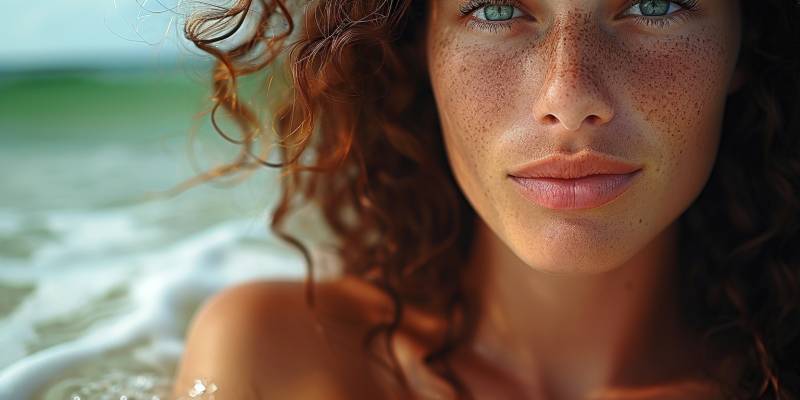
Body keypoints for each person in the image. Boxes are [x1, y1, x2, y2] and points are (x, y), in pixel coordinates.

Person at [171, 0, 800, 399]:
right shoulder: (272, 358)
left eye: (654, 4)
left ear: (746, 41)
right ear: (419, 46)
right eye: (497, 9)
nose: (569, 93)